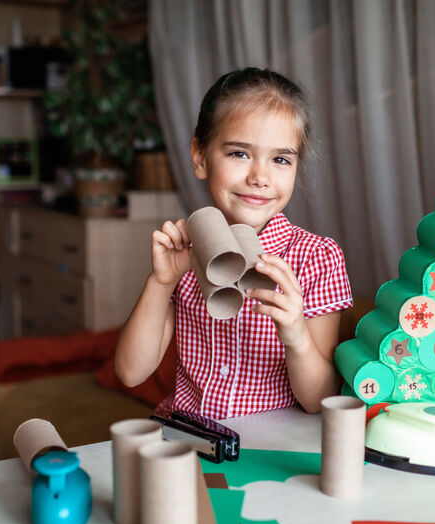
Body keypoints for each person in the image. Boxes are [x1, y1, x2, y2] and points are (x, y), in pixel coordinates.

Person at [114, 67, 353, 419]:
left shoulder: (317, 258)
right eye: (239, 153)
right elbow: (131, 372)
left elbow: (317, 400)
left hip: (270, 448)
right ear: (199, 157)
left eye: (280, 159)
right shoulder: (186, 252)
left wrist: (296, 334)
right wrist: (161, 281)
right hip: (187, 436)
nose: (259, 177)